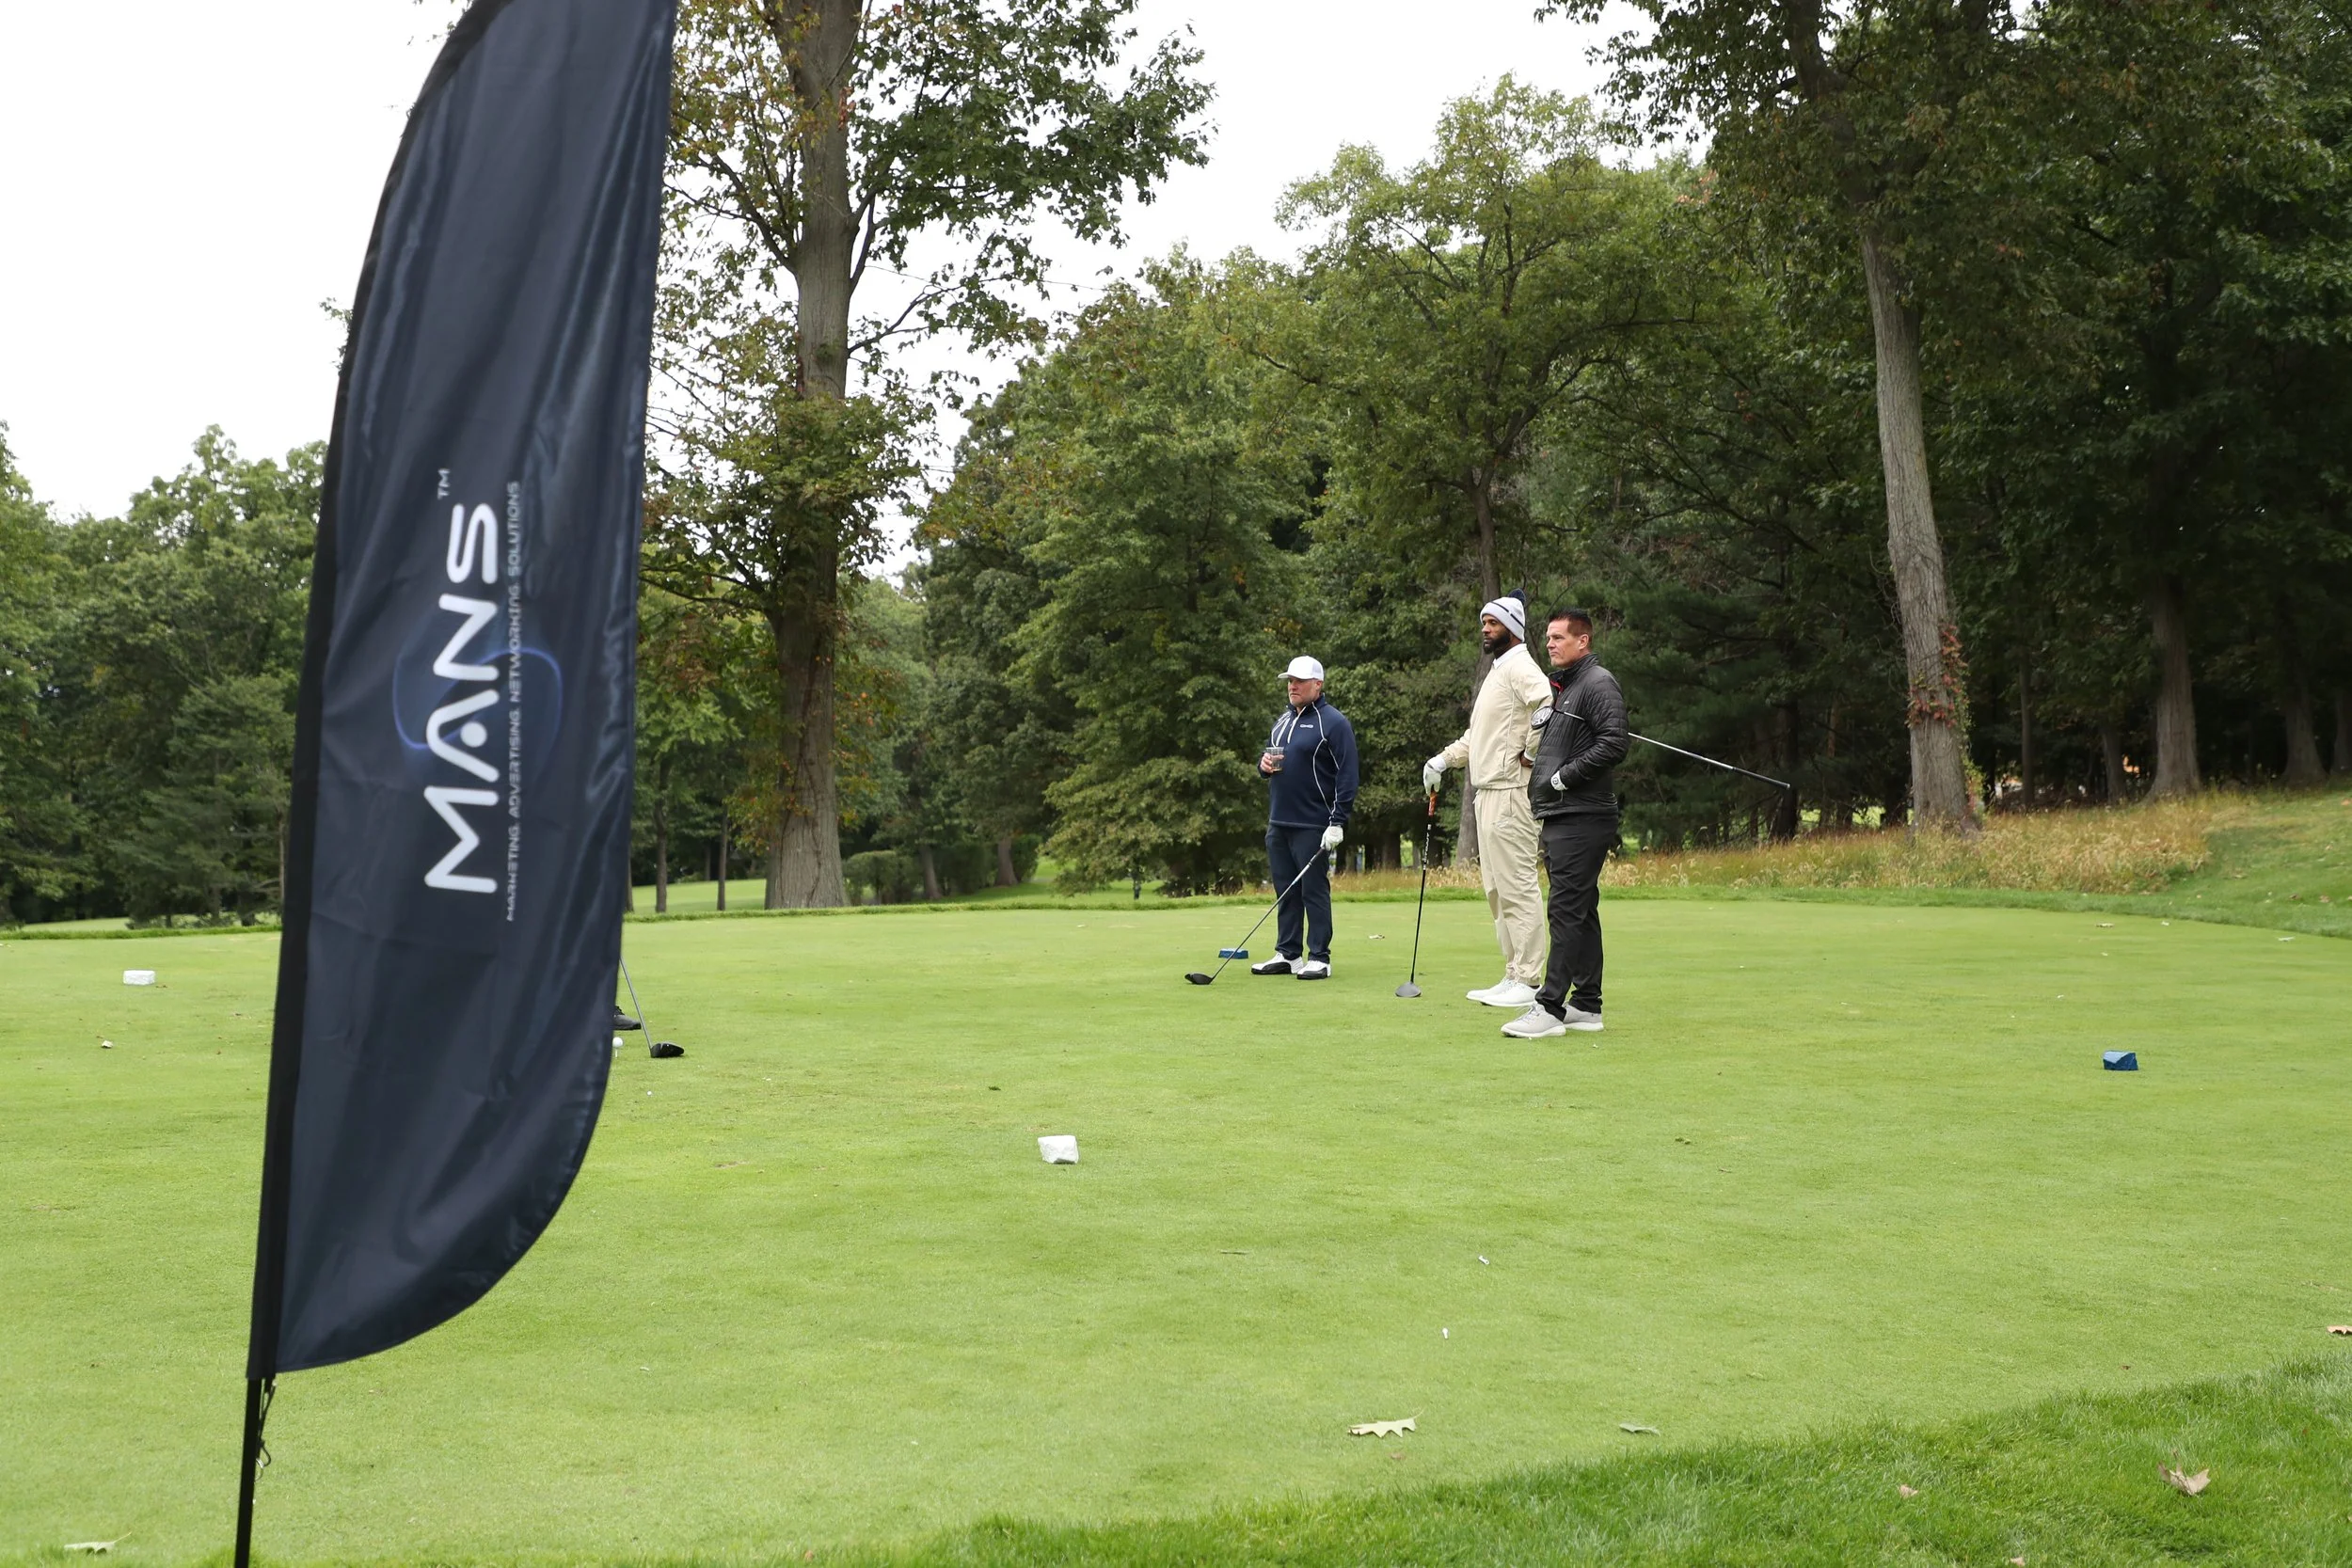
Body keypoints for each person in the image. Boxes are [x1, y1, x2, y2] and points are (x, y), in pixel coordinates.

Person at [1422, 594, 1552, 1009]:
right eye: (1484, 622)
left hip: (1512, 791)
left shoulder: (1521, 666)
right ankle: (1513, 972)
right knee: (1497, 890)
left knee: (1517, 886)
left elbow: (1546, 704)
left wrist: (1530, 753)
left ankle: (1529, 979)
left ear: (1512, 628)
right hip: (1489, 793)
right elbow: (1477, 737)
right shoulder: (1498, 671)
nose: (1485, 629)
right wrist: (1443, 760)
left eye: (1493, 623)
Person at [1502, 609, 1627, 1037]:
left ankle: (1549, 1007)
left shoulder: (1598, 682)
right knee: (1582, 910)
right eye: (1549, 637)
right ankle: (1587, 1005)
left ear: (1583, 641)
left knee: (1565, 909)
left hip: (1582, 813)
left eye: (1558, 637)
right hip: (1562, 813)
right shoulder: (1568, 687)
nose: (1550, 644)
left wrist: (1564, 776)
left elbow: (1614, 742)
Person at [1253, 655, 1359, 980]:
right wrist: (1263, 766)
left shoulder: (1334, 723)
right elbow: (1270, 761)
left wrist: (1337, 821)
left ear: (1318, 684)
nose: (1292, 686)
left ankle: (1320, 957)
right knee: (1285, 890)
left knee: (1313, 890)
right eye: (1290, 680)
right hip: (1279, 821)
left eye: (1299, 681)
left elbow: (1347, 775)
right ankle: (1288, 954)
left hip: (1313, 822)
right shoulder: (1282, 721)